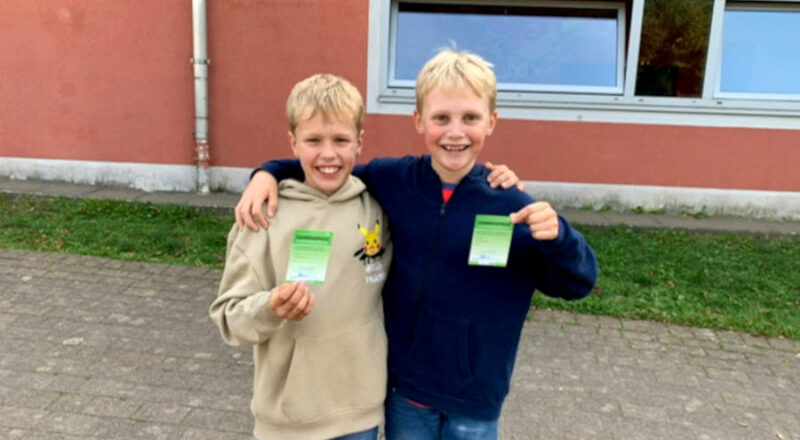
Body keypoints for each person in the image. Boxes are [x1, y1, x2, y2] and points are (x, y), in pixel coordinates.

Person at [234, 50, 599, 440]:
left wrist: (562, 237)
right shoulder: (395, 180)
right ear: (419, 120)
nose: (455, 132)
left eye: (470, 118)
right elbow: (329, 166)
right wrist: (267, 173)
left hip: (476, 400)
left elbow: (576, 284)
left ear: (491, 122)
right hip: (406, 394)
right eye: (441, 118)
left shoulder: (511, 204)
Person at [210, 74, 394, 440]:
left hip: (360, 414)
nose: (328, 154)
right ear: (293, 143)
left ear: (360, 142)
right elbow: (228, 319)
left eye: (341, 140)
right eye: (313, 141)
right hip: (287, 421)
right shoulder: (262, 215)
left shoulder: (381, 207)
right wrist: (270, 307)